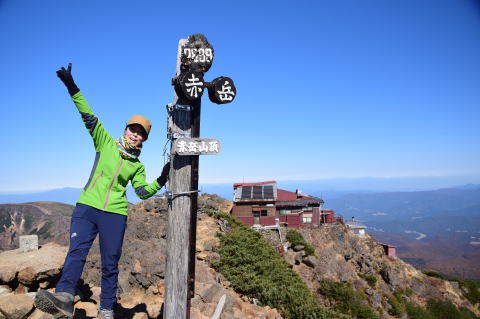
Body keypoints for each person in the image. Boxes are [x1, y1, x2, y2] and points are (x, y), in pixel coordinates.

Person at [34, 63, 170, 319]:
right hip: (87, 207)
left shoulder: (138, 166)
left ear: (144, 140)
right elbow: (87, 114)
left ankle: (106, 309)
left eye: (140, 134)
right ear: (125, 128)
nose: (135, 135)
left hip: (115, 214)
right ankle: (63, 297)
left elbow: (141, 192)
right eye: (133, 129)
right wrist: (72, 87)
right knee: (77, 253)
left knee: (110, 263)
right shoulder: (104, 141)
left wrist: (162, 179)